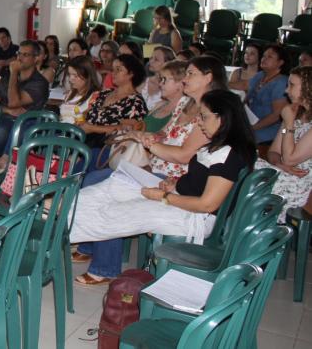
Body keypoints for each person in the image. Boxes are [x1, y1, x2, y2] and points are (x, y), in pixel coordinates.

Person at [71, 89, 255, 286]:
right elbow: (201, 180)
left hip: (190, 216)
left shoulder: (228, 154)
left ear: (223, 118)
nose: (199, 122)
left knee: (112, 213)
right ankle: (57, 208)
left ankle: (56, 223)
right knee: (114, 185)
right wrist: (175, 184)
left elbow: (207, 204)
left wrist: (164, 196)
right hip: (179, 199)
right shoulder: (218, 146)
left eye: (204, 116)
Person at [258, 66, 312, 222]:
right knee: (245, 167)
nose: (287, 91)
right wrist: (278, 164)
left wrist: (289, 124)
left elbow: (290, 158)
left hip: (301, 184)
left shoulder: (290, 117)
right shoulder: (294, 113)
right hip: (284, 172)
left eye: (292, 85)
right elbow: (274, 151)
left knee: (253, 179)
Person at [78, 53, 148, 166]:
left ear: (131, 74)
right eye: (113, 69)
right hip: (86, 138)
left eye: (118, 69)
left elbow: (127, 130)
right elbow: (91, 114)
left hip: (106, 147)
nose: (113, 73)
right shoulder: (105, 93)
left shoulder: (135, 102)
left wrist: (92, 128)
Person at [247, 45, 290, 145]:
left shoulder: (281, 83)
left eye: (269, 57)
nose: (264, 59)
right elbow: (247, 96)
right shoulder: (260, 75)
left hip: (268, 128)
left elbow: (276, 116)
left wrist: (251, 128)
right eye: (263, 56)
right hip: (250, 122)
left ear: (280, 62)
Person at [58, 56, 101, 124]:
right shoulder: (71, 93)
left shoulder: (95, 97)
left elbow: (87, 122)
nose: (70, 79)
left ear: (87, 76)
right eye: (69, 74)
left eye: (75, 75)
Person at [142, 46, 176, 110]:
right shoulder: (143, 81)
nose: (151, 61)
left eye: (156, 59)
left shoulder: (171, 87)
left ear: (168, 63)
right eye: (151, 58)